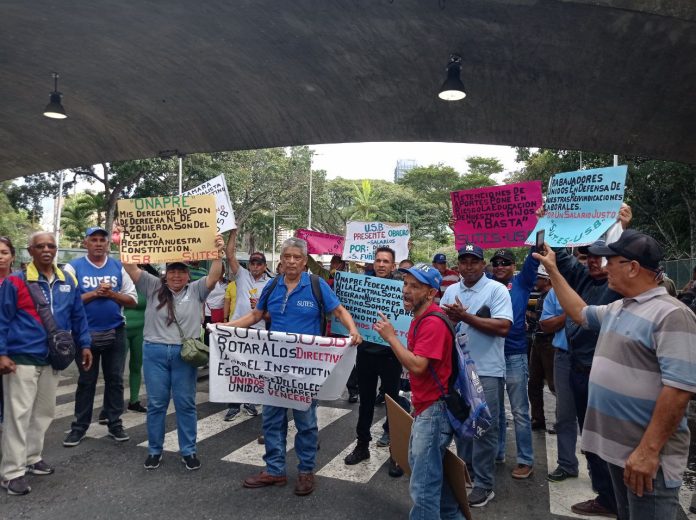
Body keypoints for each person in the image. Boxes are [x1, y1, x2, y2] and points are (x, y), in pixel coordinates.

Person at [535, 230, 696, 520]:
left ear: (633, 267)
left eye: (613, 261)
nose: (605, 267)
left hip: (646, 459)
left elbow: (679, 390)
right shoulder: (620, 307)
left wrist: (648, 451)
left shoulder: (672, 314)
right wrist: (553, 270)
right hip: (618, 452)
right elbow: (580, 313)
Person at [229, 237, 362, 496]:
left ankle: (305, 471)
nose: (291, 261)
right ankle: (275, 470)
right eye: (287, 256)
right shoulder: (273, 285)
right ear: (281, 259)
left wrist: (353, 329)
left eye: (296, 257)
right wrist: (225, 329)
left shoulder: (316, 285)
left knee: (306, 422)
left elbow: (339, 311)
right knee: (272, 420)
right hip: (275, 367)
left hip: (305, 369)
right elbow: (256, 315)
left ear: (304, 262)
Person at [122, 234, 225, 471]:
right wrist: (124, 239)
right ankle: (154, 450)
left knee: (185, 404)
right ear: (165, 273)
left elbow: (215, 275)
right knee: (157, 404)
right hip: (154, 353)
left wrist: (217, 253)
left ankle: (188, 451)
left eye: (181, 271)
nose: (177, 275)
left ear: (188, 274)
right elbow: (129, 265)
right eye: (172, 271)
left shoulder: (197, 289)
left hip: (184, 355)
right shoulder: (151, 285)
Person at [0, 232, 93, 495]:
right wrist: (2, 353)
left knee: (44, 412)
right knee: (18, 416)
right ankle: (12, 473)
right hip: (22, 357)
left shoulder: (67, 280)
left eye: (51, 246)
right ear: (30, 251)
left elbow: (78, 315)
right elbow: (2, 319)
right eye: (40, 246)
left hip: (53, 358)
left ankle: (31, 458)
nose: (47, 250)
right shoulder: (16, 281)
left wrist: (85, 344)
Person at [374, 263, 463, 519]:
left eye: (415, 286)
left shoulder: (431, 323)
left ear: (431, 293)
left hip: (434, 411)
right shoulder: (420, 318)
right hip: (427, 406)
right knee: (430, 474)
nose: (406, 290)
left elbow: (418, 366)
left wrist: (391, 338)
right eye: (406, 284)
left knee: (423, 485)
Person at [440, 243, 513, 507]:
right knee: (461, 425)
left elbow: (504, 326)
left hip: (487, 371)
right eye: (464, 261)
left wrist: (465, 317)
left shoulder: (496, 290)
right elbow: (444, 327)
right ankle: (467, 470)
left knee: (484, 427)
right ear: (458, 265)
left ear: (484, 265)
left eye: (474, 261)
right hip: (458, 373)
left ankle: (484, 485)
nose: (468, 266)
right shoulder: (450, 290)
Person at [63, 227, 138, 447]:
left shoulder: (117, 266)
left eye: (102, 240)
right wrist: (95, 293)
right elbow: (66, 299)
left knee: (115, 379)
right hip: (84, 334)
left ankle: (114, 423)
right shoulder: (73, 267)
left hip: (115, 331)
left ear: (108, 244)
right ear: (85, 243)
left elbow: (132, 299)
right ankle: (79, 427)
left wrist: (112, 294)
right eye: (93, 240)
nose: (98, 243)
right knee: (87, 381)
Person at [344, 246, 403, 475]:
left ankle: (396, 453)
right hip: (366, 353)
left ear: (393, 266)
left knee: (393, 405)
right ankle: (362, 446)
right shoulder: (361, 287)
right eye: (378, 260)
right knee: (366, 403)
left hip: (390, 356)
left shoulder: (401, 289)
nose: (381, 265)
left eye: (386, 261)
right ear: (373, 263)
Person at [488, 247, 538, 479]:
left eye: (505, 263)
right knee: (494, 411)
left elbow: (535, 253)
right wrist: (459, 232)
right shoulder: (487, 282)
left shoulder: (523, 281)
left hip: (515, 355)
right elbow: (469, 261)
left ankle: (525, 459)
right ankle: (497, 453)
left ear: (514, 266)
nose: (500, 266)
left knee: (519, 411)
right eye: (496, 263)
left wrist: (540, 223)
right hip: (491, 355)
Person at [224, 229, 272, 420]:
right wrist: (234, 233)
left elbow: (272, 311)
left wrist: (261, 310)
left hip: (258, 329)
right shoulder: (242, 275)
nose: (255, 266)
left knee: (254, 367)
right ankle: (234, 405)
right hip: (238, 328)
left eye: (259, 263)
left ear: (264, 265)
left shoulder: (272, 282)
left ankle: (250, 401)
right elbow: (229, 255)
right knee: (235, 366)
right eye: (252, 262)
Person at [123, 264, 159, 414]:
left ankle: (134, 401)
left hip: (141, 331)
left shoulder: (148, 285)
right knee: (115, 369)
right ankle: (110, 405)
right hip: (121, 329)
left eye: (141, 268)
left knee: (136, 366)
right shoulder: (120, 280)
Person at [527, 265, 555, 432]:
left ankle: (562, 421)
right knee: (534, 382)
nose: (535, 281)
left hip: (550, 342)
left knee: (554, 384)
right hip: (537, 340)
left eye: (538, 278)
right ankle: (538, 418)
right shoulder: (538, 295)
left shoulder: (554, 295)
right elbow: (534, 315)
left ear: (547, 279)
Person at [0, 236, 16, 427]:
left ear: (12, 256)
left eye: (4, 253)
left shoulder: (21, 280)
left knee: (10, 397)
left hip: (13, 346)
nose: (1, 257)